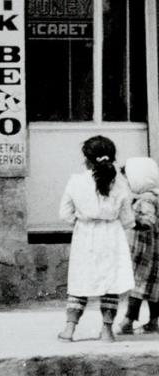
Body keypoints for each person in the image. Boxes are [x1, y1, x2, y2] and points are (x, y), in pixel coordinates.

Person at [58, 135, 134, 343]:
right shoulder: (120, 184)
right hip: (112, 235)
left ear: (87, 159)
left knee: (80, 280)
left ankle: (69, 329)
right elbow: (128, 219)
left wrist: (81, 221)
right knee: (111, 283)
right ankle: (107, 331)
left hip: (85, 234)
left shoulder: (76, 181)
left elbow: (64, 214)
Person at [120, 156, 159, 335]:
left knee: (138, 286)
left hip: (143, 251)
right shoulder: (154, 195)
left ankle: (128, 320)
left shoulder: (145, 200)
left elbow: (148, 221)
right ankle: (153, 321)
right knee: (153, 286)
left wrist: (131, 218)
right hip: (154, 251)